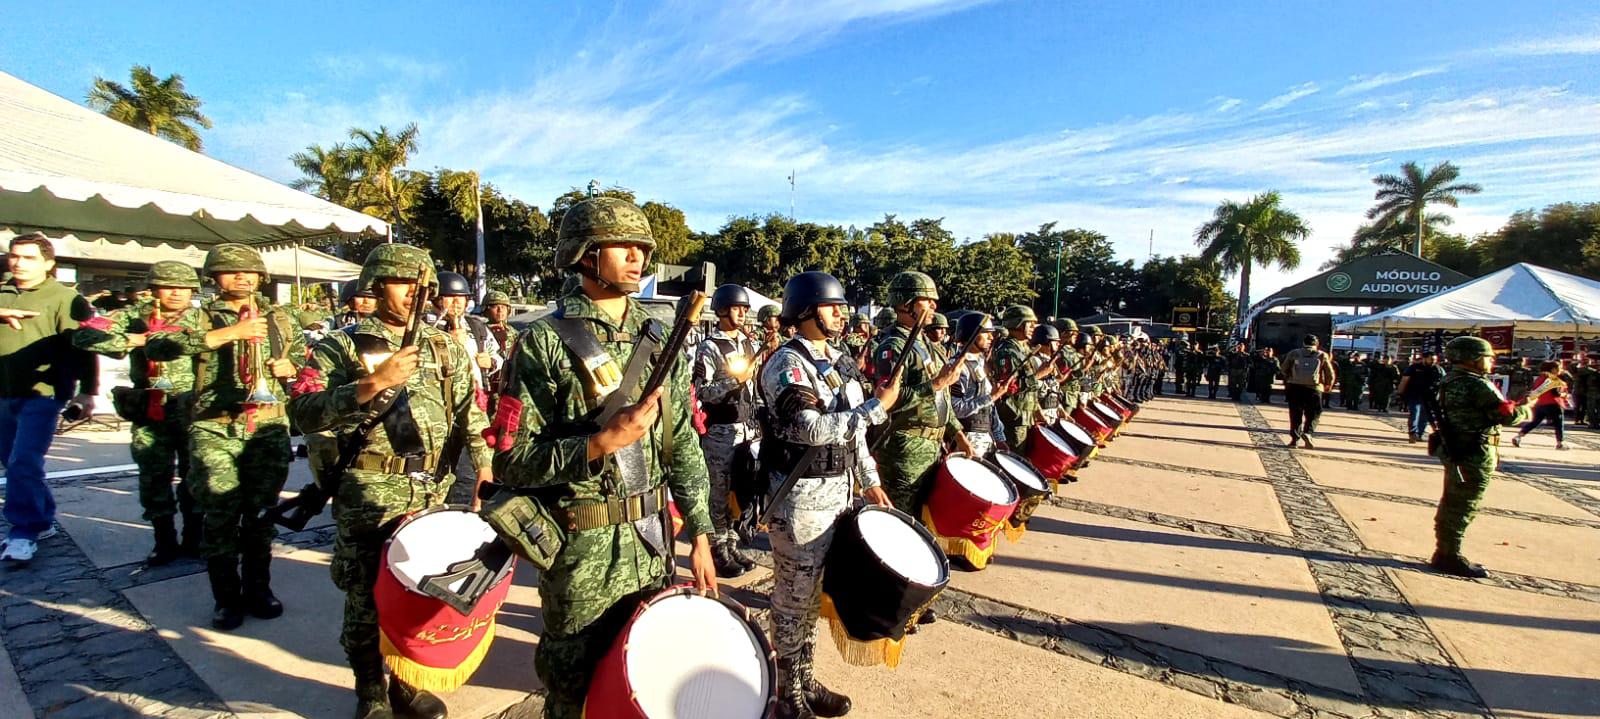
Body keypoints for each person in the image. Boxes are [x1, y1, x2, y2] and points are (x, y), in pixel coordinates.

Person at [489, 196, 716, 719]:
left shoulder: (661, 336)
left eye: (643, 248)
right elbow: (511, 460)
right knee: (572, 692)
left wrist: (702, 534)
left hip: (653, 543)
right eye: (624, 246)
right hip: (579, 553)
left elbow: (682, 443)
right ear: (585, 254)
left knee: (645, 681)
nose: (638, 257)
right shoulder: (544, 341)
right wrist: (598, 445)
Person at [288, 244, 491, 719]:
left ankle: (405, 683)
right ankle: (370, 692)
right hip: (369, 491)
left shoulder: (444, 347)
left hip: (430, 491)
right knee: (365, 597)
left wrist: (484, 467)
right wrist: (372, 384)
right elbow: (301, 410)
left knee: (415, 593)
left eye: (423, 285)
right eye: (403, 283)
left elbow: (470, 412)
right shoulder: (341, 345)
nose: (416, 294)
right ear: (377, 286)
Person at [144, 243, 304, 629]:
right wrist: (224, 335)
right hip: (214, 426)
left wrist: (291, 366)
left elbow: (302, 356)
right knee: (220, 511)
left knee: (261, 513)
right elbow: (159, 345)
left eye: (248, 271)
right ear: (214, 277)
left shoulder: (280, 318)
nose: (242, 277)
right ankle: (226, 597)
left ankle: (259, 588)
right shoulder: (197, 317)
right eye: (231, 271)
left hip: (266, 424)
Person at [761, 270, 898, 719]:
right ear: (805, 311)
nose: (842, 312)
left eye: (841, 305)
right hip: (799, 502)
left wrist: (871, 479)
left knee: (815, 598)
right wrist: (878, 406)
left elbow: (852, 435)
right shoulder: (786, 364)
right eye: (831, 305)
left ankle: (804, 679)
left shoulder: (839, 361)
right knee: (792, 601)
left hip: (838, 496)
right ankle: (784, 692)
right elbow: (813, 429)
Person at [73, 261, 207, 565]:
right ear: (154, 289)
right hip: (151, 409)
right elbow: (84, 336)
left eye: (183, 287)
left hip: (193, 407)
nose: (175, 293)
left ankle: (195, 537)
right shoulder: (133, 316)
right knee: (153, 476)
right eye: (168, 287)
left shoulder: (204, 318)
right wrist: (130, 340)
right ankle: (164, 540)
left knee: (195, 475)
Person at [0, 233, 99, 563]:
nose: (19, 263)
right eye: (15, 256)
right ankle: (42, 520)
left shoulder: (65, 298)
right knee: (14, 464)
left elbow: (85, 347)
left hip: (44, 394)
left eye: (29, 258)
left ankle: (23, 531)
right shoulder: (2, 292)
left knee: (23, 462)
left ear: (48, 263)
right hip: (3, 392)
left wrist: (88, 391)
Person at [1430, 337, 1534, 578]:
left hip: (1459, 447)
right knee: (1463, 504)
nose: (1491, 361)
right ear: (1473, 358)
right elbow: (1506, 417)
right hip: (1474, 451)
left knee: (1453, 501)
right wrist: (1525, 408)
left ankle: (1445, 550)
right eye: (1487, 357)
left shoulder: (1450, 380)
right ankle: (1449, 555)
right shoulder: (1477, 385)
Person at [872, 271, 970, 516]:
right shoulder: (893, 346)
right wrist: (934, 384)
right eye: (927, 300)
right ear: (907, 305)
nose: (934, 305)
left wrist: (957, 433)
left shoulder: (927, 344)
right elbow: (887, 401)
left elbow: (942, 398)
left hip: (932, 448)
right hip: (904, 452)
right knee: (902, 523)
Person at [693, 283, 762, 578]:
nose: (742, 313)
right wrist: (734, 382)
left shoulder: (747, 344)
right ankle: (717, 548)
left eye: (745, 308)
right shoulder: (710, 347)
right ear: (721, 310)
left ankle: (731, 542)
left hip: (745, 429)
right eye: (737, 308)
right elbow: (702, 391)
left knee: (739, 490)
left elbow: (755, 387)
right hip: (720, 432)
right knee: (718, 493)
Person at [951, 312, 1006, 458]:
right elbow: (955, 410)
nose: (991, 337)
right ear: (971, 335)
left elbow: (990, 408)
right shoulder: (958, 367)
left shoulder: (982, 363)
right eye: (986, 333)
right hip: (966, 440)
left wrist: (999, 437)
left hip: (986, 437)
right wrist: (991, 397)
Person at [991, 305, 1046, 446]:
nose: (1034, 327)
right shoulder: (1008, 351)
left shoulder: (1024, 349)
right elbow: (1008, 388)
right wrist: (1039, 375)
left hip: (1026, 416)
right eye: (1030, 323)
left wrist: (1037, 411)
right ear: (1018, 324)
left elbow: (1030, 390)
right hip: (1014, 419)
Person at [1280, 335, 1335, 448]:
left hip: (1295, 387)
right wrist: (1329, 384)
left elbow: (1284, 369)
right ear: (1316, 343)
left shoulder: (1294, 353)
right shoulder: (1321, 355)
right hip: (1314, 388)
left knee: (1295, 414)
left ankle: (1294, 440)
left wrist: (1289, 379)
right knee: (1314, 413)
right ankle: (1308, 432)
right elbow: (1330, 373)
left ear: (1303, 343)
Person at [1510, 361, 1570, 450]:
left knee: (1534, 422)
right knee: (1558, 424)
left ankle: (1518, 436)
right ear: (1553, 369)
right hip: (1553, 404)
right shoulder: (1553, 379)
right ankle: (1560, 442)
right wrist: (1564, 395)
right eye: (1559, 368)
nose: (1560, 370)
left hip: (1540, 404)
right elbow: (1556, 393)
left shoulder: (1539, 378)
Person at [1398, 352, 1446, 443]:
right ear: (1424, 359)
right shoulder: (1414, 368)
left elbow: (1443, 384)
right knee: (1415, 413)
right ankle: (1413, 433)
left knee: (1425, 416)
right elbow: (1405, 380)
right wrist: (1400, 393)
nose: (1433, 361)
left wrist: (1441, 397)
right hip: (1414, 395)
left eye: (1434, 360)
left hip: (1430, 397)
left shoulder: (1439, 370)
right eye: (1431, 359)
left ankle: (1419, 433)